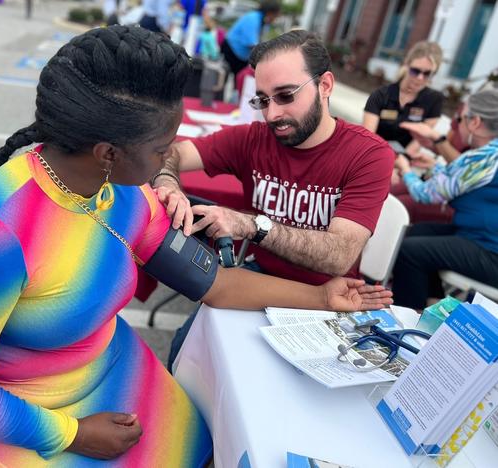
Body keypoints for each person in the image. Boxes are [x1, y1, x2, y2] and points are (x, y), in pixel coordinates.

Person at [0, 26, 391, 466]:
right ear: (108, 153)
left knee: (203, 446)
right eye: (162, 151)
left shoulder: (121, 194)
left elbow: (213, 284)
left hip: (91, 362)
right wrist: (71, 435)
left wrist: (322, 298)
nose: (168, 163)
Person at [153, 30, 395, 371]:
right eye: (263, 100)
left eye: (285, 95)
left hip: (331, 292)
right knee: (187, 351)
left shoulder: (367, 154)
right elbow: (169, 153)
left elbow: (340, 255)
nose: (272, 114)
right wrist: (168, 182)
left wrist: (252, 224)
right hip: (259, 276)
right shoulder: (254, 140)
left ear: (325, 85)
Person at [391, 86, 498, 310]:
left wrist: (405, 168)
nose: (458, 123)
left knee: (409, 251)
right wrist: (436, 166)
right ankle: (433, 304)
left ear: (475, 122)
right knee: (416, 232)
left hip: (490, 253)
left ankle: (409, 316)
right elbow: (465, 181)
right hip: (478, 238)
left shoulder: (480, 159)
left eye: (461, 118)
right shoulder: (489, 156)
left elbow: (424, 194)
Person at [363, 41, 444, 149]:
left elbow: (416, 143)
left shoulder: (434, 99)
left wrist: (404, 159)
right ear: (407, 65)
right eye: (415, 71)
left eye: (427, 73)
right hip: (374, 154)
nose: (420, 77)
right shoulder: (381, 95)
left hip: (405, 161)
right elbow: (368, 138)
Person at [221, 0, 281, 80]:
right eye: (276, 15)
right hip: (232, 49)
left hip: (242, 55)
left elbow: (261, 41)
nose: (276, 18)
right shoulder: (253, 18)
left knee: (240, 79)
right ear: (270, 12)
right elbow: (251, 43)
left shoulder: (265, 22)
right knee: (230, 77)